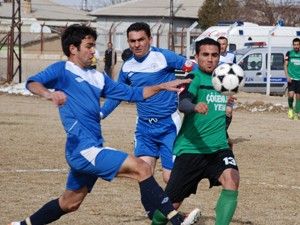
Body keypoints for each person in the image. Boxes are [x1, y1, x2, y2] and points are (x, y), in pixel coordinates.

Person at [8, 24, 195, 225]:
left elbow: (132, 93)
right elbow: (32, 82)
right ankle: (176, 220)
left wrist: (162, 86)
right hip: (83, 149)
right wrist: (49, 93)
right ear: (73, 49)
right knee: (142, 167)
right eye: (88, 46)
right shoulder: (63, 70)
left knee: (70, 203)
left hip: (92, 147)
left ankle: (21, 224)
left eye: (93, 46)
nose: (93, 51)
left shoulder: (98, 77)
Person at [152, 38, 240, 225]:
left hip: (218, 148)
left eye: (214, 55)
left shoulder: (224, 80)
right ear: (196, 56)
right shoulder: (193, 78)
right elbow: (182, 103)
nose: (210, 59)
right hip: (191, 149)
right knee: (170, 206)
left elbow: (221, 117)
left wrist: (228, 113)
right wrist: (194, 107)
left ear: (219, 57)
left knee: (232, 179)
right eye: (205, 55)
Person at [101, 22, 194, 185]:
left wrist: (195, 90)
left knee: (169, 178)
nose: (137, 44)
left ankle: (170, 210)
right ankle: (160, 211)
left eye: (141, 40)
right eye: (133, 41)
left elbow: (193, 68)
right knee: (144, 175)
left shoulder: (164, 57)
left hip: (169, 126)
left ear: (150, 39)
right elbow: (117, 94)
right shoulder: (127, 66)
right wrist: (100, 114)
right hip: (144, 128)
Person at [217, 36, 237, 148]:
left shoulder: (232, 56)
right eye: (219, 44)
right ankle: (222, 136)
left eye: (224, 44)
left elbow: (235, 70)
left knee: (228, 112)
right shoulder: (213, 55)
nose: (222, 46)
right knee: (217, 112)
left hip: (228, 88)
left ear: (227, 45)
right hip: (216, 87)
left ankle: (221, 134)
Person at [284, 37, 300, 120]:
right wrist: (287, 76)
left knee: (298, 97)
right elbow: (285, 65)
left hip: (299, 79)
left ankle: (297, 113)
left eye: (297, 45)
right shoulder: (289, 53)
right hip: (292, 79)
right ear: (293, 45)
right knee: (290, 95)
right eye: (295, 45)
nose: (296, 46)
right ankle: (290, 109)